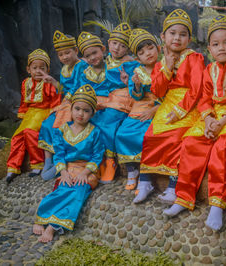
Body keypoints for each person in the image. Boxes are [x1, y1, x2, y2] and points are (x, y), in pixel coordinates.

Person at [164, 15, 226, 231]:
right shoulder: (209, 70)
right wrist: (207, 120)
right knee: (190, 143)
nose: (221, 48)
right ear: (209, 49)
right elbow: (204, 99)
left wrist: (222, 122)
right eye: (216, 44)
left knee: (222, 148)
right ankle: (183, 197)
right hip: (212, 114)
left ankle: (217, 205)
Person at [134, 9, 205, 204]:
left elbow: (197, 88)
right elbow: (157, 91)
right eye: (172, 33)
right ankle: (145, 182)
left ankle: (174, 187)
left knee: (176, 138)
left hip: (189, 104)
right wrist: (167, 66)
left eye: (183, 34)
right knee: (150, 136)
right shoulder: (160, 64)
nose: (177, 38)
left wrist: (180, 111)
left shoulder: (194, 58)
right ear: (163, 36)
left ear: (189, 39)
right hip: (167, 103)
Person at [33, 84, 105, 243]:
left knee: (79, 192)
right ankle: (41, 216)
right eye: (77, 109)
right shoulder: (61, 130)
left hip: (87, 170)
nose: (81, 114)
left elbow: (97, 156)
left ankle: (52, 226)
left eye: (86, 111)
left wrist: (84, 173)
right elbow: (59, 155)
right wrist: (64, 173)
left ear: (92, 113)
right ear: (71, 110)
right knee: (64, 188)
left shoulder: (95, 132)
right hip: (68, 169)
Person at [91, 22, 140, 184]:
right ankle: (96, 160)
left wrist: (127, 83)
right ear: (108, 43)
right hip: (107, 96)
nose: (117, 48)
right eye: (114, 43)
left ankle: (111, 162)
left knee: (109, 121)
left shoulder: (131, 63)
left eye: (122, 46)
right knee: (93, 119)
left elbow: (136, 85)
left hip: (123, 96)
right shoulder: (107, 60)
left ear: (128, 49)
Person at [38, 31, 88, 181]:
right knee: (47, 124)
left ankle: (64, 160)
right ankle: (48, 161)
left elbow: (81, 86)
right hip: (65, 102)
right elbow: (63, 89)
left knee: (62, 125)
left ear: (76, 51)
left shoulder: (82, 65)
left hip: (78, 101)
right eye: (60, 55)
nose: (64, 57)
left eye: (67, 52)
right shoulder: (63, 70)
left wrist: (67, 102)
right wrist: (53, 81)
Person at [6, 49, 61, 183]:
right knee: (17, 136)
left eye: (42, 68)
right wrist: (23, 114)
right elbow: (24, 101)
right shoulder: (26, 83)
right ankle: (12, 167)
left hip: (43, 112)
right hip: (30, 114)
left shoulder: (48, 83)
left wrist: (54, 114)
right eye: (34, 68)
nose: (38, 71)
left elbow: (56, 99)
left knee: (30, 132)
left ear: (47, 69)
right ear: (28, 69)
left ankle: (38, 164)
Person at [115, 28, 161, 190]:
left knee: (144, 136)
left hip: (158, 106)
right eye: (142, 52)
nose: (147, 53)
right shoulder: (137, 72)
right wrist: (136, 85)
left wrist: (155, 110)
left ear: (158, 49)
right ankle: (131, 170)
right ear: (137, 58)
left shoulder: (164, 68)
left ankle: (145, 175)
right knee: (122, 133)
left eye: (150, 48)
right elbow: (135, 96)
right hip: (139, 106)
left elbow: (170, 93)